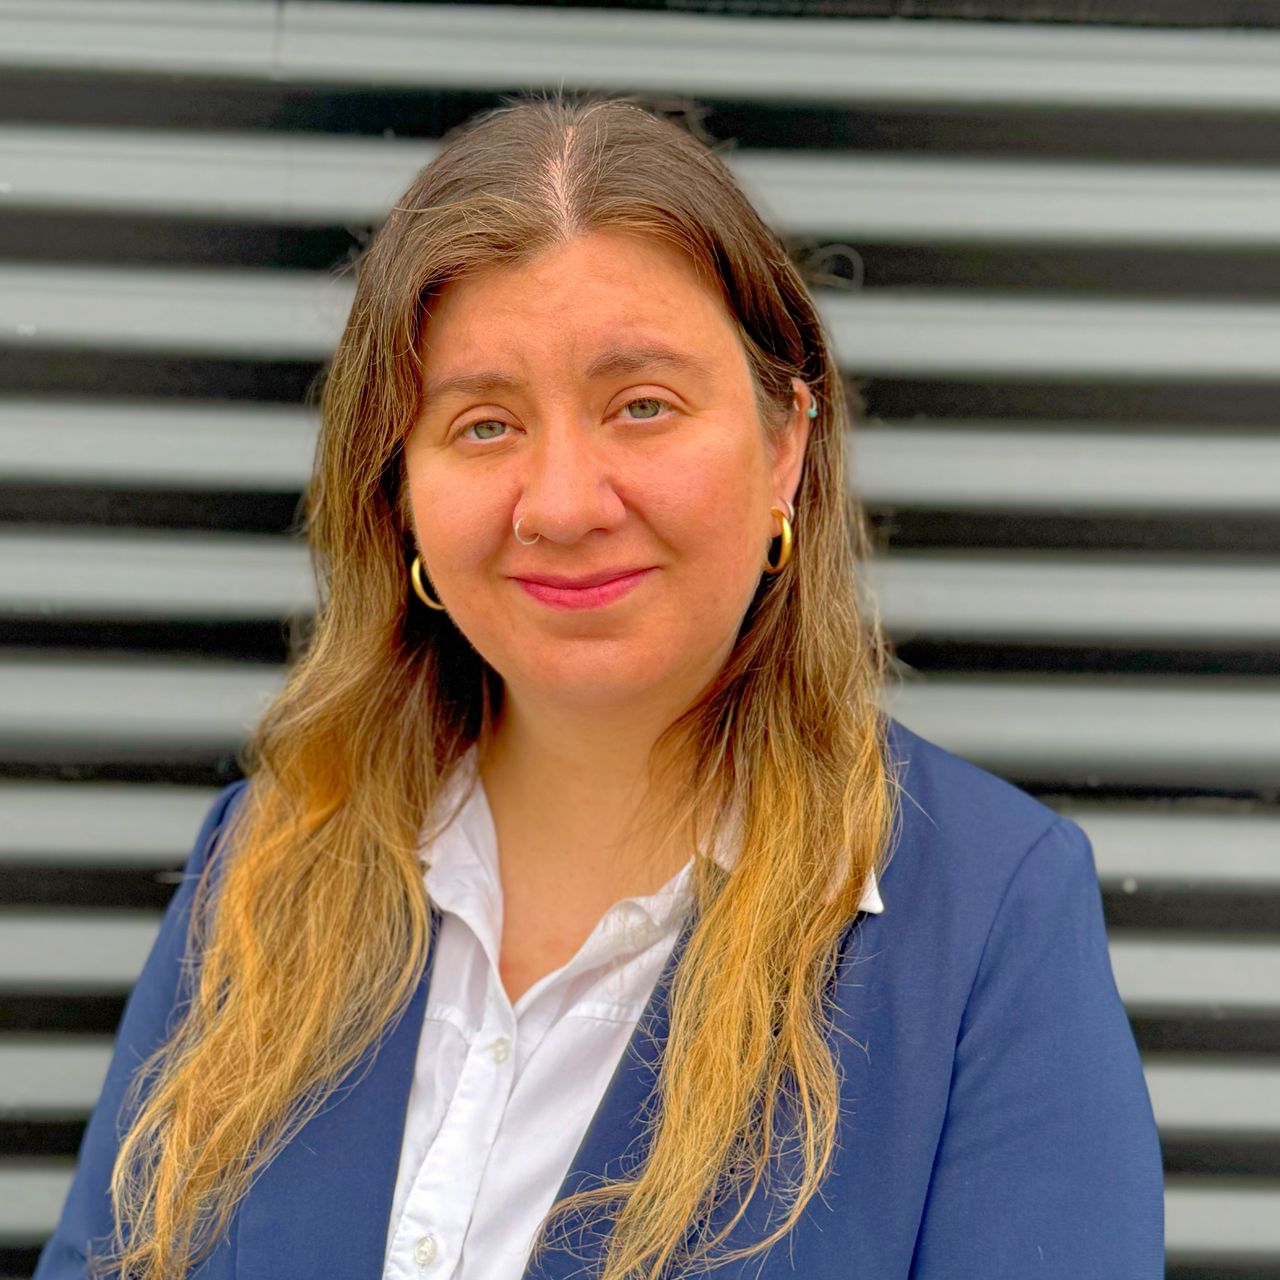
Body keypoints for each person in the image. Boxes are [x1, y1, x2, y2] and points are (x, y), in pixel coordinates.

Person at [35, 95, 1163, 1280]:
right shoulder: (267, 864)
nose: (564, 503)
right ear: (400, 488)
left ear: (784, 441)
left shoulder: (985, 917)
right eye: (483, 425)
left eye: (641, 406)